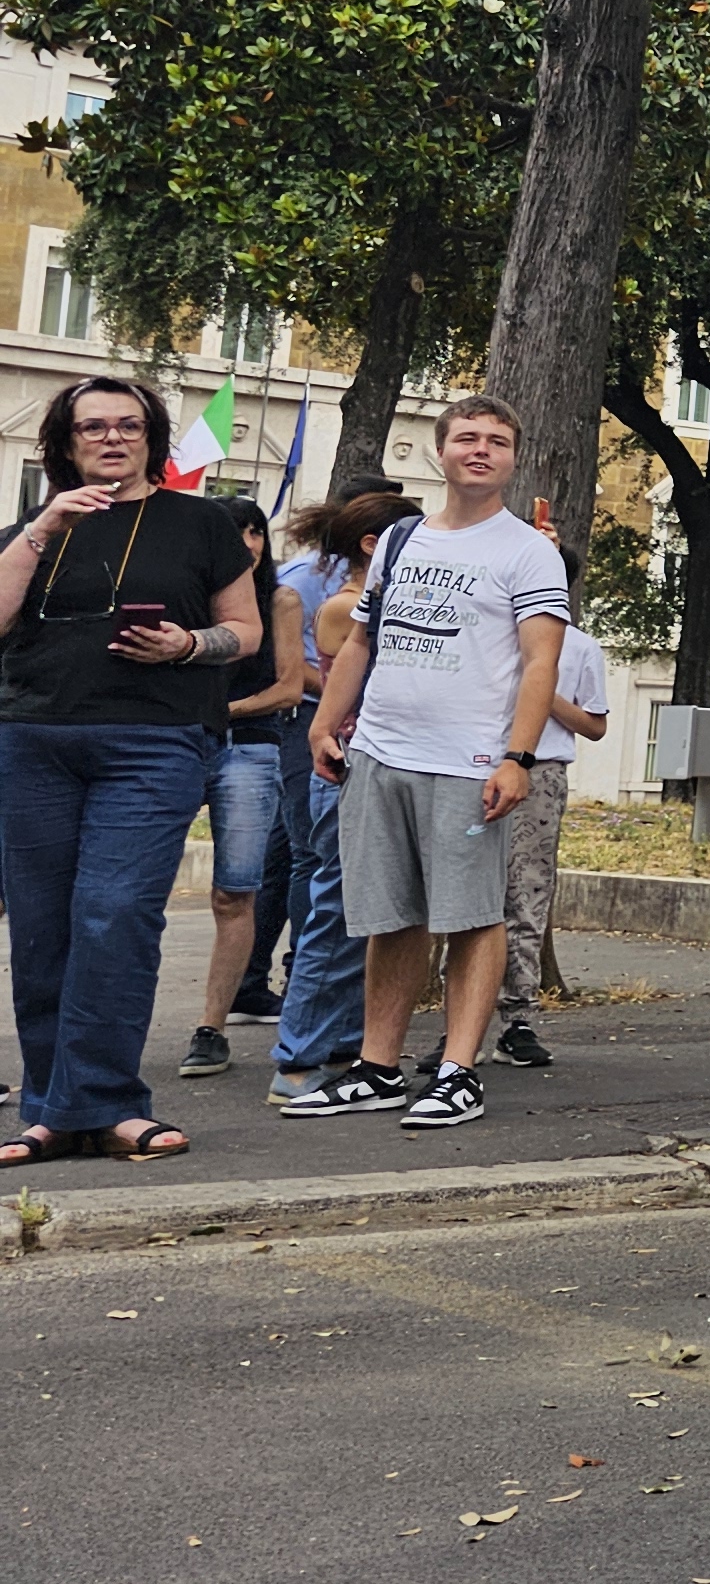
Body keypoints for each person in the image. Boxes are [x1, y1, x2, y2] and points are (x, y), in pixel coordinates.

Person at [0, 376, 266, 1167]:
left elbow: (245, 634)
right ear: (66, 443)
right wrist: (44, 527)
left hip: (153, 741)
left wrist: (187, 646)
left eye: (127, 425)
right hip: (33, 739)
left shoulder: (202, 523)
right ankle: (52, 1109)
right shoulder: (35, 526)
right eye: (93, 429)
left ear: (151, 435)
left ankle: (111, 1102)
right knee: (43, 926)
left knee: (114, 914)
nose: (111, 439)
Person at [286, 397, 567, 1130]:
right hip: (380, 753)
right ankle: (378, 1068)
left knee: (473, 918)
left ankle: (458, 1072)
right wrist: (323, 725)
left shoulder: (526, 550)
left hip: (469, 763)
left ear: (512, 458)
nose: (481, 450)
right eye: (467, 438)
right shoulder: (403, 540)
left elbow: (542, 662)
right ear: (439, 452)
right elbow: (360, 642)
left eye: (497, 441)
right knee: (392, 916)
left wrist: (517, 757)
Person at [265, 483, 414, 1104]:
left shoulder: (374, 601)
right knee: (334, 913)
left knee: (368, 915)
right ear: (374, 547)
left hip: (379, 764)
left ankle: (347, 1042)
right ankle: (298, 1054)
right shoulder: (346, 607)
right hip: (348, 766)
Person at [173, 500, 305, 1081]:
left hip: (249, 746)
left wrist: (227, 709)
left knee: (236, 890)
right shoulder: (186, 597)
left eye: (256, 530)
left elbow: (290, 687)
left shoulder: (280, 599)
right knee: (138, 886)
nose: (249, 541)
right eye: (236, 531)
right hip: (175, 743)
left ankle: (212, 1027)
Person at [488, 550, 611, 1068]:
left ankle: (518, 1018)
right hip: (475, 766)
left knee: (527, 892)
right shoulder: (487, 639)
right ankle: (456, 1024)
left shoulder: (580, 648)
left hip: (541, 774)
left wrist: (542, 690)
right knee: (466, 895)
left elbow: (595, 724)